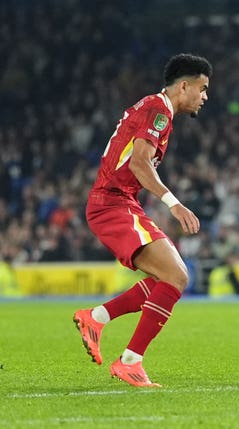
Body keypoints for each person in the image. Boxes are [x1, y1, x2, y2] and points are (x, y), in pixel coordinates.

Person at [73, 53, 212, 387]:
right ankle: (130, 361)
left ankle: (96, 317)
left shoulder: (154, 108)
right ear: (183, 86)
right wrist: (174, 204)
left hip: (120, 203)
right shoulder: (158, 110)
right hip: (113, 203)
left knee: (170, 277)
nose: (205, 96)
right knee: (177, 275)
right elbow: (139, 164)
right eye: (203, 88)